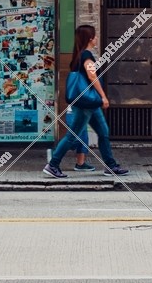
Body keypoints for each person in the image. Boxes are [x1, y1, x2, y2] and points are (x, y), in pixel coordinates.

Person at [44, 25, 128, 178]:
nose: (96, 39)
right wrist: (103, 96)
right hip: (85, 104)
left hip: (91, 104)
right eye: (95, 37)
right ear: (90, 39)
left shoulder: (79, 55)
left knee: (103, 133)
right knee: (73, 136)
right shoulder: (86, 55)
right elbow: (92, 76)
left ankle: (111, 166)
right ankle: (53, 165)